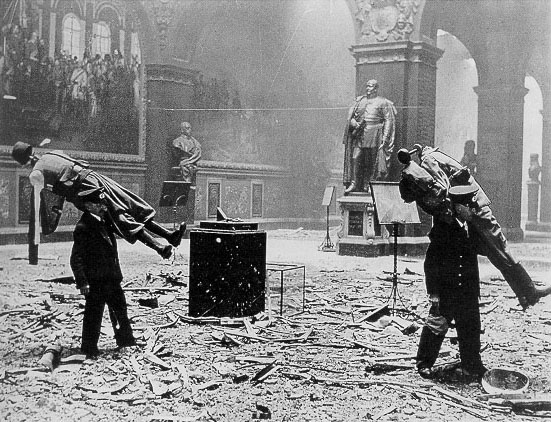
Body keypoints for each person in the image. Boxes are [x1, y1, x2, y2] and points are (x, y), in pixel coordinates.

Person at [398, 144, 551, 308]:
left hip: (472, 207)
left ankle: (527, 293)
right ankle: (527, 293)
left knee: (497, 248)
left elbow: (446, 188)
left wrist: (457, 211)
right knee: (496, 249)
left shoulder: (429, 160)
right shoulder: (432, 158)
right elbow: (447, 187)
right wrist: (458, 212)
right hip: (471, 208)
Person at [11, 141, 185, 259]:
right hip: (89, 186)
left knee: (127, 208)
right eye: (30, 155)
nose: (32, 157)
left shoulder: (37, 172)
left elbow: (52, 199)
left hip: (89, 184)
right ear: (29, 154)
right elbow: (53, 198)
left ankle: (169, 237)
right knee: (123, 214)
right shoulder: (51, 155)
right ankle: (160, 247)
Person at [416, 185, 487, 382]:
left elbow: (481, 248)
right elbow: (431, 262)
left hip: (467, 288)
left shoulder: (471, 227)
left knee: (471, 326)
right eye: (468, 206)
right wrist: (434, 292)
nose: (472, 209)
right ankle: (424, 363)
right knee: (437, 325)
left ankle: (472, 363)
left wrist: (475, 224)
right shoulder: (443, 227)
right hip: (447, 288)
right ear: (458, 207)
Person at [70, 189, 137, 358]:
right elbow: (76, 258)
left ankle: (126, 341)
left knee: (120, 310)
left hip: (112, 278)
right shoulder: (83, 227)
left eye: (103, 203)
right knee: (94, 314)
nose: (103, 206)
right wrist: (82, 282)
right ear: (88, 206)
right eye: (98, 204)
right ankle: (89, 348)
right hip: (96, 281)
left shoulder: (105, 222)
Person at [342, 79, 396, 194]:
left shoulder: (382, 102)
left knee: (372, 161)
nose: (368, 88)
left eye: (370, 86)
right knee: (356, 157)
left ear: (376, 89)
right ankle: (354, 183)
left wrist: (385, 138)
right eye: (367, 86)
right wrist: (352, 122)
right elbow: (351, 116)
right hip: (360, 133)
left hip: (375, 133)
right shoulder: (360, 101)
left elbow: (388, 120)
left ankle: (370, 184)